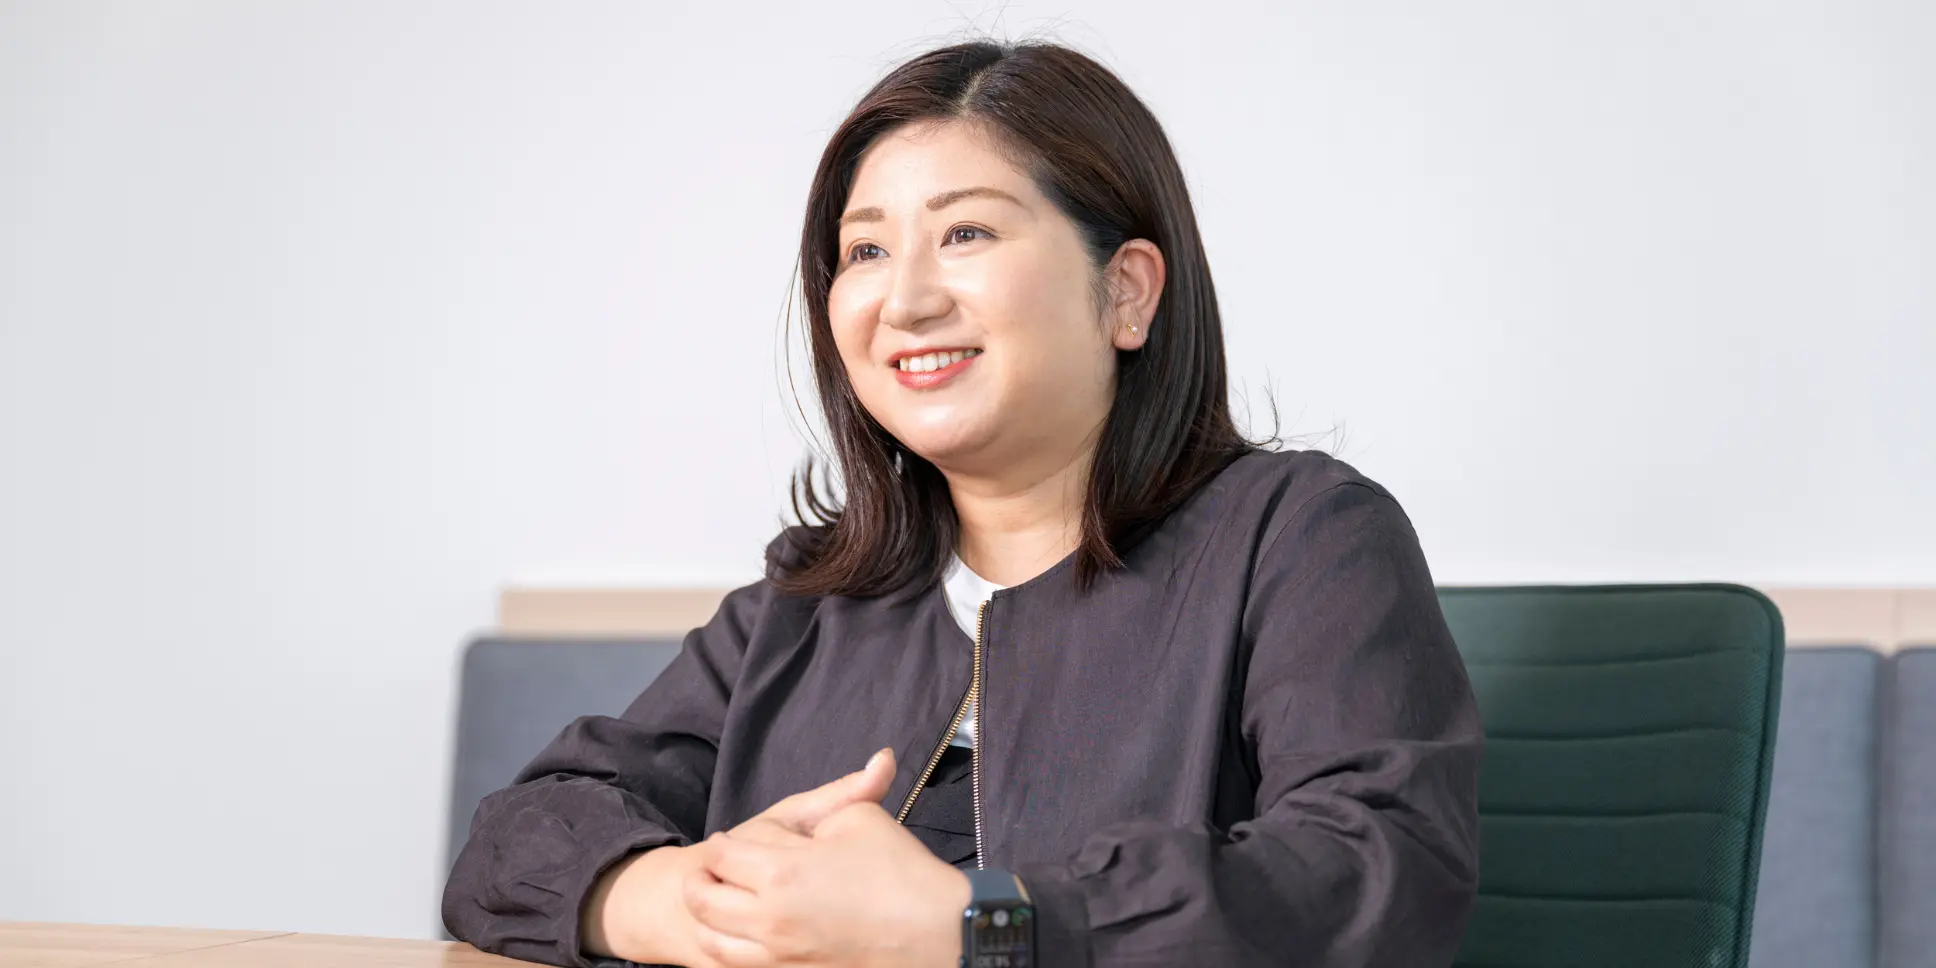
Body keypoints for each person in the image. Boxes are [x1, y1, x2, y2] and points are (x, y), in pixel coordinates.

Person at [443, 39, 1481, 968]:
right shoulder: (807, 599)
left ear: (1125, 291)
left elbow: (1378, 873)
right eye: (866, 250)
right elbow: (512, 841)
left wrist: (978, 925)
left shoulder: (1300, 536)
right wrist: (676, 902)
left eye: (967, 232)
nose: (905, 300)